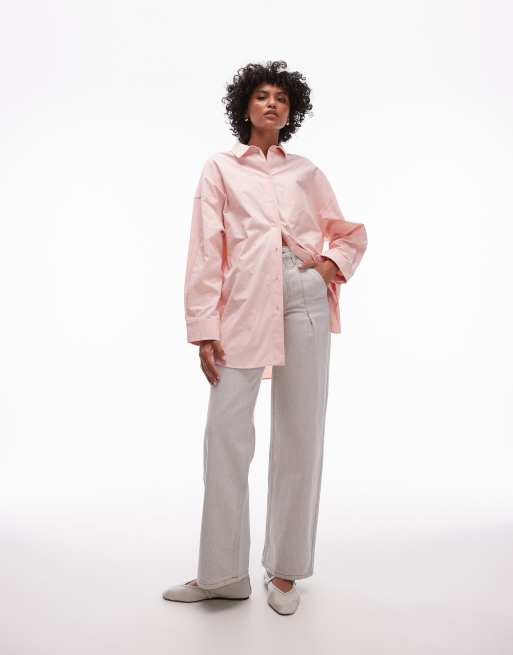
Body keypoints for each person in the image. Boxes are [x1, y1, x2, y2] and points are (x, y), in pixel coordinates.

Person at [162, 60, 368, 615]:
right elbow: (206, 249)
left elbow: (348, 234)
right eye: (261, 95)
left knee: (301, 432)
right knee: (225, 433)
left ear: (291, 110)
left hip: (302, 295)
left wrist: (327, 268)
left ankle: (285, 570)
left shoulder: (306, 172)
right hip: (242, 304)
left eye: (281, 96)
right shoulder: (221, 168)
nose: (272, 102)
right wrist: (204, 328)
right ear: (245, 106)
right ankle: (223, 574)